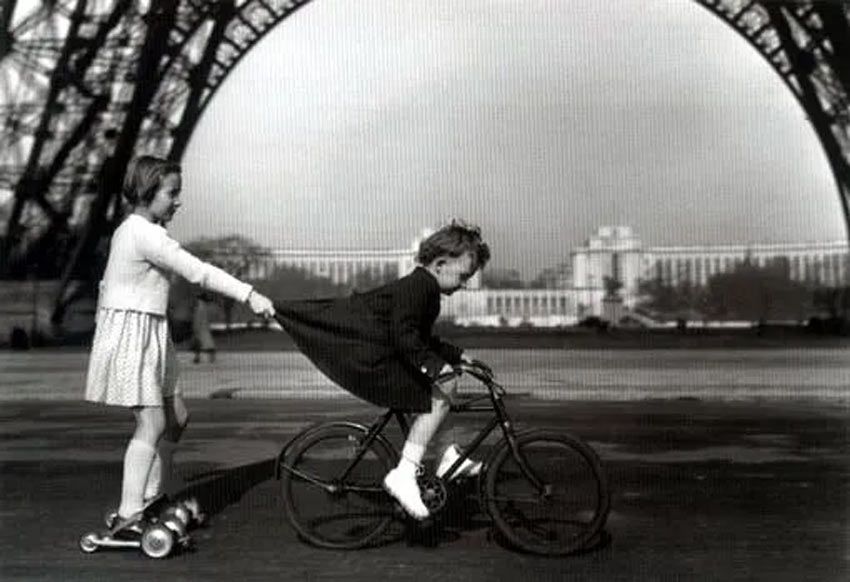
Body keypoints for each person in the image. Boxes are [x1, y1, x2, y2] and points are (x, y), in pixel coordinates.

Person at [84, 155, 275, 536]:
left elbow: (108, 285)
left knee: (177, 418)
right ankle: (128, 513)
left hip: (149, 330)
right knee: (152, 421)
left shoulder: (132, 231)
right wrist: (250, 294)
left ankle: (151, 498)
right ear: (148, 190)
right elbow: (198, 272)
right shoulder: (144, 234)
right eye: (172, 193)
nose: (177, 201)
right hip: (133, 333)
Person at [274, 220, 490, 520]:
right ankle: (404, 474)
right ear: (440, 264)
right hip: (373, 359)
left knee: (440, 386)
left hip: (382, 354)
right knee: (443, 389)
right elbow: (405, 337)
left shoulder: (425, 288)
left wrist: (458, 356)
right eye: (463, 276)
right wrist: (438, 368)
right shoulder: (418, 288)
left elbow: (421, 339)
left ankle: (444, 454)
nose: (465, 283)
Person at [191, 292, 216, 364]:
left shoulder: (199, 307)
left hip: (200, 328)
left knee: (201, 343)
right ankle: (200, 357)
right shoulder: (203, 306)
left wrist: (195, 327)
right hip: (204, 327)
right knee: (205, 343)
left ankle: (198, 357)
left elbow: (197, 318)